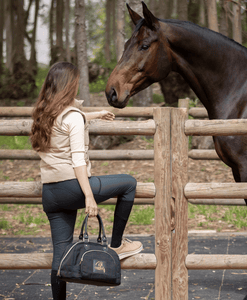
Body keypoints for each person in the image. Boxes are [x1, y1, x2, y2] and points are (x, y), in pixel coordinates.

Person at [30, 61, 143, 300]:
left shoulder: (44, 112)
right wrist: (90, 198)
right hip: (73, 187)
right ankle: (116, 244)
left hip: (50, 194)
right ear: (70, 85)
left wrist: (94, 114)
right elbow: (78, 161)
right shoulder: (72, 117)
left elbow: (69, 119)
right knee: (129, 183)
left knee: (60, 256)